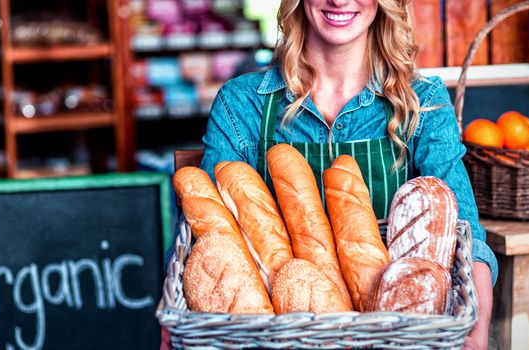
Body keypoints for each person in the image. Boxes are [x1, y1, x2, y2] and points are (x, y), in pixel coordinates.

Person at [196, 0, 497, 348]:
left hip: (399, 339)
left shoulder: (421, 102)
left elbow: (467, 239)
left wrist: (476, 331)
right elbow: (209, 245)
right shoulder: (242, 104)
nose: (339, 1)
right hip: (278, 338)